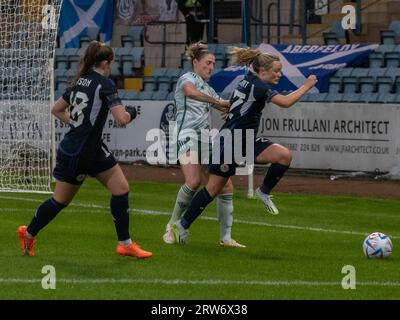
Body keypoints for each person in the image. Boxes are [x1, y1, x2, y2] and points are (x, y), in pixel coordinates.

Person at [17, 41, 152, 259]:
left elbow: (56, 109)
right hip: (81, 152)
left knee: (119, 189)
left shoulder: (80, 81)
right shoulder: (105, 84)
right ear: (107, 63)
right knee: (62, 200)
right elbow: (121, 120)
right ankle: (28, 232)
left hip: (85, 148)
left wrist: (77, 125)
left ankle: (125, 244)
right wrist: (131, 113)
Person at [170, 46, 318, 244]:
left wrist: (232, 111)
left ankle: (262, 193)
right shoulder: (258, 86)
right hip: (231, 142)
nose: (279, 74)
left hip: (242, 139)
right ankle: (182, 225)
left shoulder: (248, 79)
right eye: (276, 71)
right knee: (213, 188)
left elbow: (237, 98)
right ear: (263, 71)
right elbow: (285, 102)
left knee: (282, 156)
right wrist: (307, 85)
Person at [162, 42, 245, 248]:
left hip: (206, 140)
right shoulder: (187, 79)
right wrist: (219, 103)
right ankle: (172, 225)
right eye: (207, 63)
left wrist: (228, 107)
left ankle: (226, 238)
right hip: (187, 136)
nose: (211, 67)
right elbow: (191, 92)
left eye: (213, 64)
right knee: (193, 181)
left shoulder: (208, 88)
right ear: (195, 62)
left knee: (225, 185)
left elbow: (222, 105)